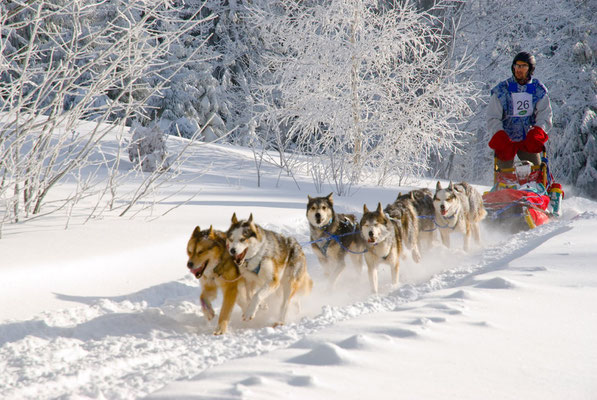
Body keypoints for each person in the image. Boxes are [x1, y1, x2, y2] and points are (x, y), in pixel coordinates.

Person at [487, 51, 553, 170]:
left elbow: (544, 114)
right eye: (517, 66)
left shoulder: (538, 90)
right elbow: (493, 117)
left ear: (530, 69)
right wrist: (499, 134)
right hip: (506, 141)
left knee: (537, 173)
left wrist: (538, 131)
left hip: (527, 140)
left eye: (523, 66)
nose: (519, 69)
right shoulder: (501, 90)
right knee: (505, 176)